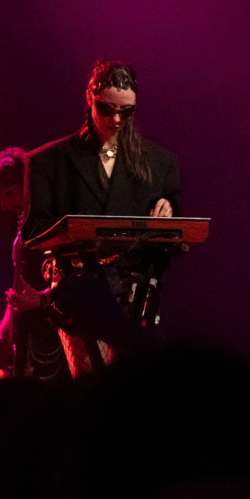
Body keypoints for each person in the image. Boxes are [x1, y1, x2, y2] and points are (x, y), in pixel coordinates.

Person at [21, 58, 180, 376]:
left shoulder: (161, 163)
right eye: (106, 109)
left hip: (137, 289)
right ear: (89, 99)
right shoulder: (48, 162)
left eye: (127, 111)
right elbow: (34, 231)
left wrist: (167, 212)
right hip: (80, 284)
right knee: (92, 383)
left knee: (134, 380)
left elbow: (175, 233)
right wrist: (75, 234)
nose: (117, 118)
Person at [0, 148, 68, 381]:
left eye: (11, 194)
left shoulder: (56, 227)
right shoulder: (21, 237)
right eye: (1, 198)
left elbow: (79, 283)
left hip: (59, 337)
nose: (6, 205)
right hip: (27, 339)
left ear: (28, 186)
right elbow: (19, 293)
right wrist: (2, 332)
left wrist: (41, 299)